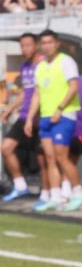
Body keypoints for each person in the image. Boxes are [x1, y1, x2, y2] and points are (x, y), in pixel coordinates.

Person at [25, 30, 82, 212]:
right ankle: (55, 196)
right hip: (46, 116)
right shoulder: (40, 66)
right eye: (44, 43)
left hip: (64, 114)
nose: (47, 46)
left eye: (50, 42)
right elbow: (37, 94)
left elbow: (73, 86)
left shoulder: (66, 61)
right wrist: (29, 119)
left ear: (57, 43)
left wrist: (60, 108)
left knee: (62, 157)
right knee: (49, 158)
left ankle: (78, 193)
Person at [0, 33, 44, 203]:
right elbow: (24, 93)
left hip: (40, 117)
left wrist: (33, 116)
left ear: (36, 45)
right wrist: (10, 110)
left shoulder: (43, 64)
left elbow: (40, 93)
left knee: (44, 156)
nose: (25, 49)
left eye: (28, 45)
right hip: (25, 115)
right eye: (22, 46)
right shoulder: (25, 66)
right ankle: (20, 186)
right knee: (6, 148)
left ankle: (54, 191)